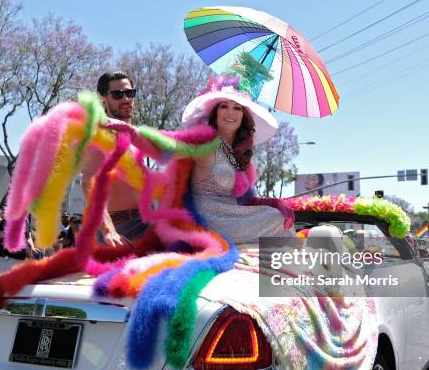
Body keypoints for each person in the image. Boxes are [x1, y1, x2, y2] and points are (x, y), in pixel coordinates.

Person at [182, 77, 295, 245]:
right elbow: (173, 160)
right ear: (215, 113)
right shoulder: (203, 142)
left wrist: (275, 203)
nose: (230, 112)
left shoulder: (238, 152)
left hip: (232, 213)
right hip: (206, 219)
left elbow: (246, 200)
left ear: (243, 116)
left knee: (277, 216)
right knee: (275, 220)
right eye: (224, 106)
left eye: (237, 108)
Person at [81, 71, 158, 246]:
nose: (126, 99)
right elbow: (88, 184)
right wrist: (109, 231)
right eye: (117, 94)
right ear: (103, 99)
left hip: (148, 223)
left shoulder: (134, 137)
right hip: (123, 228)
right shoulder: (101, 135)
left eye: (130, 93)